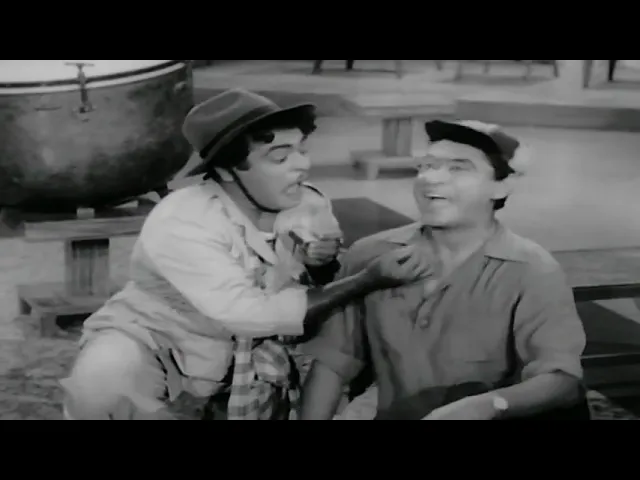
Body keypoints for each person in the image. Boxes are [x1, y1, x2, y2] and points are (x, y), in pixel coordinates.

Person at [60, 88, 430, 420]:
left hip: (257, 348)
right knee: (101, 387)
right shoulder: (183, 219)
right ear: (227, 170)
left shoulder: (309, 203)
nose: (302, 165)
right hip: (161, 337)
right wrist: (366, 280)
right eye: (280, 157)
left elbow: (316, 278)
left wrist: (322, 263)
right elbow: (248, 314)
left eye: (302, 151)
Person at [300, 120, 588, 421]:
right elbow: (332, 363)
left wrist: (488, 406)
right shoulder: (370, 255)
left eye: (458, 168)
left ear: (501, 186)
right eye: (426, 166)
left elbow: (561, 379)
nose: (431, 178)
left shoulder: (532, 270)